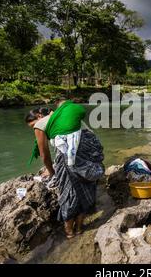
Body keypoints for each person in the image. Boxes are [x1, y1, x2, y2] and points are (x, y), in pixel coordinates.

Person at [26, 100, 103, 239]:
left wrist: (52, 172)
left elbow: (44, 156)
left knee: (69, 192)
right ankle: (79, 228)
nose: (33, 129)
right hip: (91, 154)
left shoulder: (40, 124)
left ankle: (69, 232)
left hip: (70, 158)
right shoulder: (64, 116)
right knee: (86, 189)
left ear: (38, 116)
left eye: (32, 125)